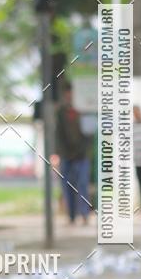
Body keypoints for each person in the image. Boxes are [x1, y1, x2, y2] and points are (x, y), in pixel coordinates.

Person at [55, 83, 91, 223]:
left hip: (81, 155)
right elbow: (58, 134)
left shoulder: (84, 111)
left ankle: (84, 214)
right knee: (67, 185)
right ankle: (71, 216)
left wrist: (83, 151)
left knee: (82, 184)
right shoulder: (61, 112)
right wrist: (60, 153)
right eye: (68, 93)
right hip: (66, 155)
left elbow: (88, 133)